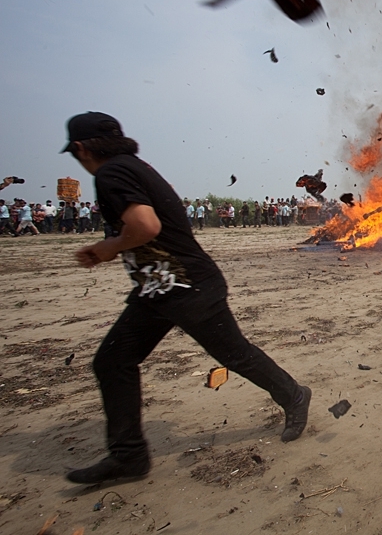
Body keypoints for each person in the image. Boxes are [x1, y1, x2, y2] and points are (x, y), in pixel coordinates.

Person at [60, 112, 311, 484]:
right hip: (160, 287)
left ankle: (293, 394)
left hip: (185, 286)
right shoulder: (134, 167)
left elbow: (146, 225)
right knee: (113, 361)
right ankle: (128, 457)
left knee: (233, 354)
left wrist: (107, 247)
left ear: (80, 148)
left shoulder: (113, 174)